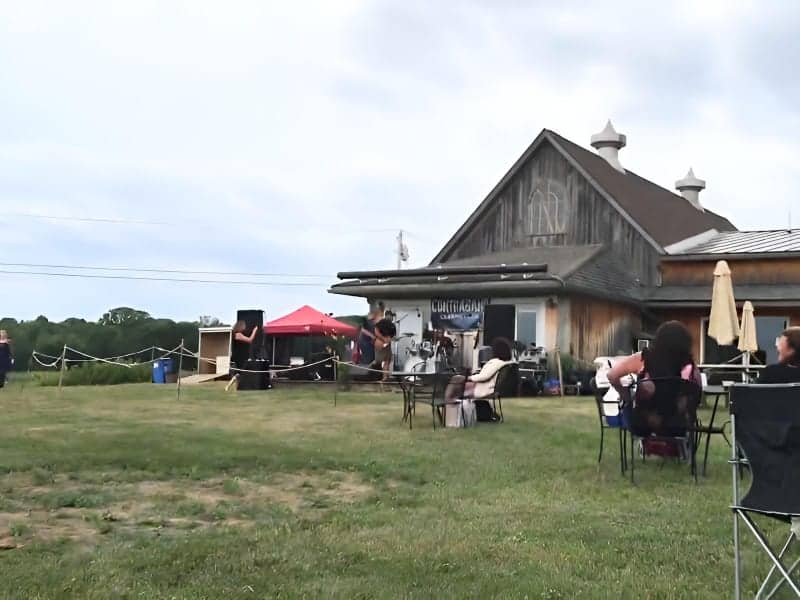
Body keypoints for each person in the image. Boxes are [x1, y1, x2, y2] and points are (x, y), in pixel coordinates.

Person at [608, 320, 701, 436]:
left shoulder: (643, 359)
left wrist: (627, 396)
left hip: (642, 424)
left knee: (632, 405)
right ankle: (679, 447)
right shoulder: (689, 365)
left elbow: (612, 375)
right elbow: (696, 394)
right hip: (676, 425)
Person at [444, 337, 514, 403]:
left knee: (456, 379)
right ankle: (451, 401)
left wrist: (468, 378)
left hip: (484, 389)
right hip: (489, 387)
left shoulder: (496, 362)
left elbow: (483, 376)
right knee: (458, 382)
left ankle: (447, 401)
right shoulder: (507, 363)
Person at [226, 320, 259, 391]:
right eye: (244, 325)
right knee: (241, 372)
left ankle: (231, 387)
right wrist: (254, 331)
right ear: (240, 326)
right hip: (240, 357)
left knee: (239, 373)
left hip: (238, 356)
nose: (245, 327)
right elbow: (250, 340)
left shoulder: (236, 334)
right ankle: (230, 386)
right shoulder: (238, 334)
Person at [371, 317, 397, 381]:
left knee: (386, 362)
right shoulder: (380, 325)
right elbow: (376, 331)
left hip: (385, 345)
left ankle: (385, 377)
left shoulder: (391, 327)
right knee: (379, 361)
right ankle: (380, 376)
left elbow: (390, 337)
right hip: (380, 343)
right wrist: (383, 339)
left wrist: (389, 339)